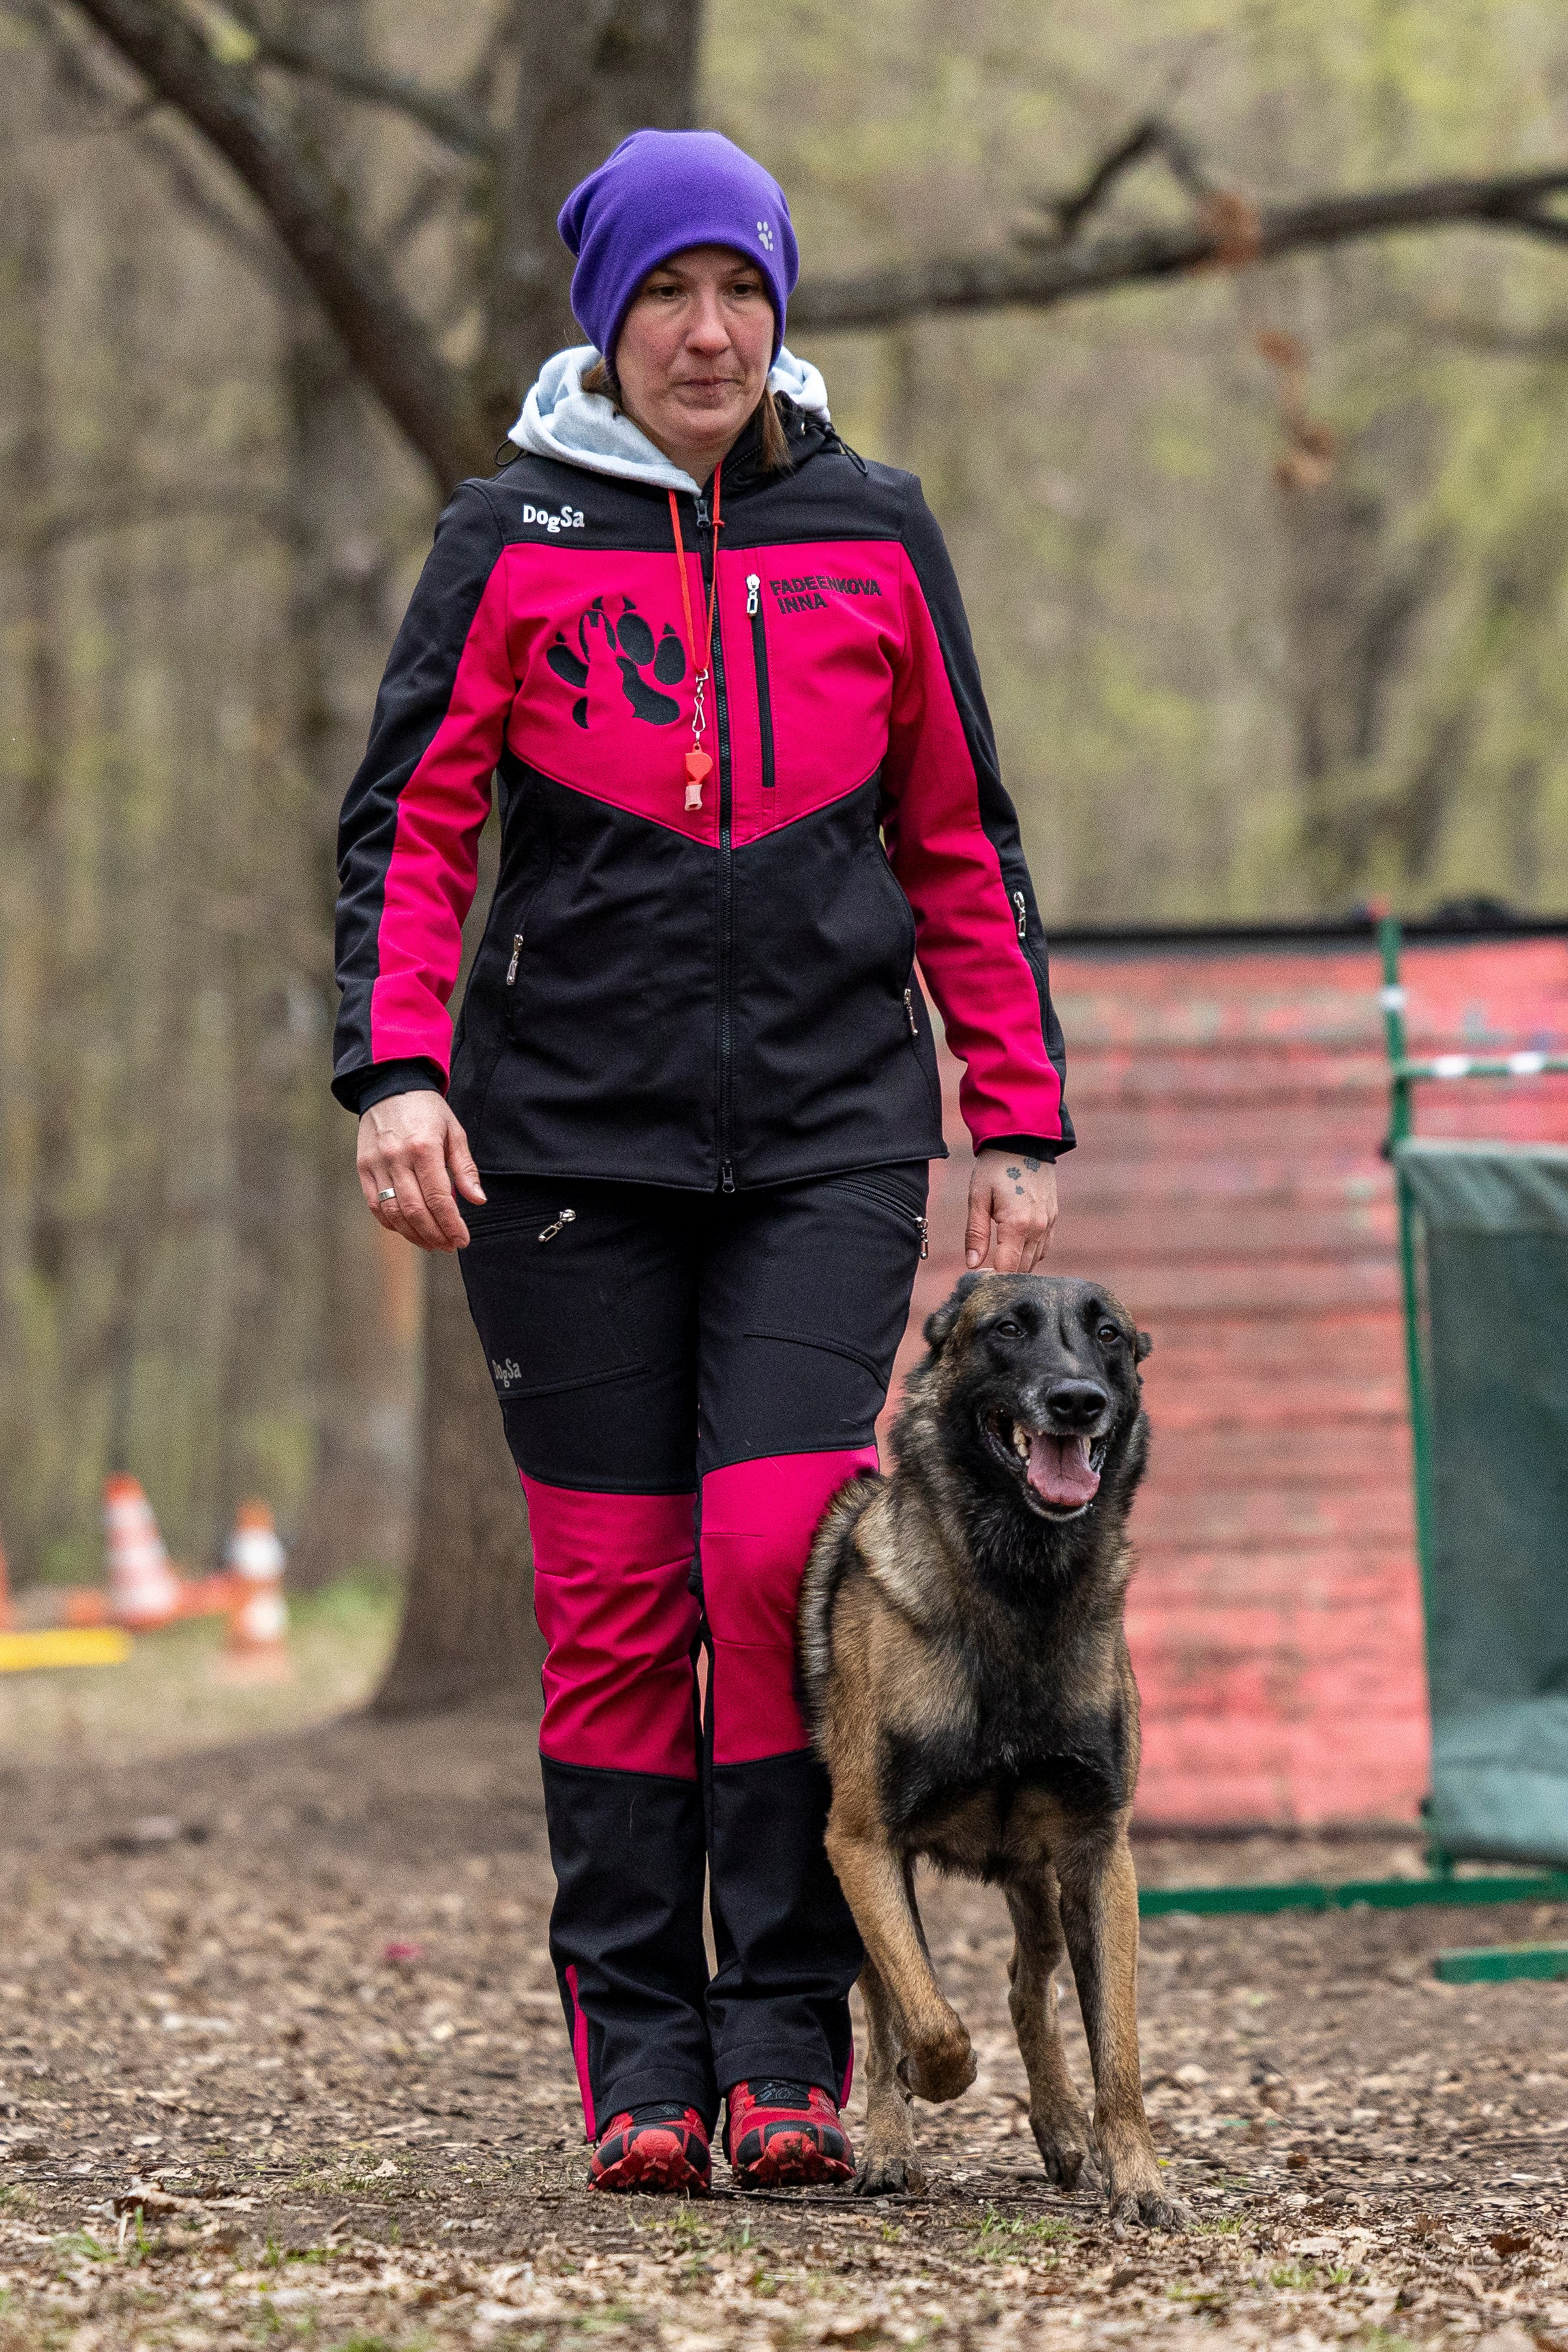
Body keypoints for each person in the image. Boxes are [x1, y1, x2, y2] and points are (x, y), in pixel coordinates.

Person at [332, 128, 1072, 2195]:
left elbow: (960, 843)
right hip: (560, 1149)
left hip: (828, 1140)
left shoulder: (871, 533)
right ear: (605, 315)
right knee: (609, 1599)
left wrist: (1011, 1109)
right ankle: (640, 2060)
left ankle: (788, 2055)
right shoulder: (507, 540)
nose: (708, 330)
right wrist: (397, 1074)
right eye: (665, 292)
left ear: (781, 309)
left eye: (739, 290)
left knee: (768, 1567)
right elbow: (407, 829)